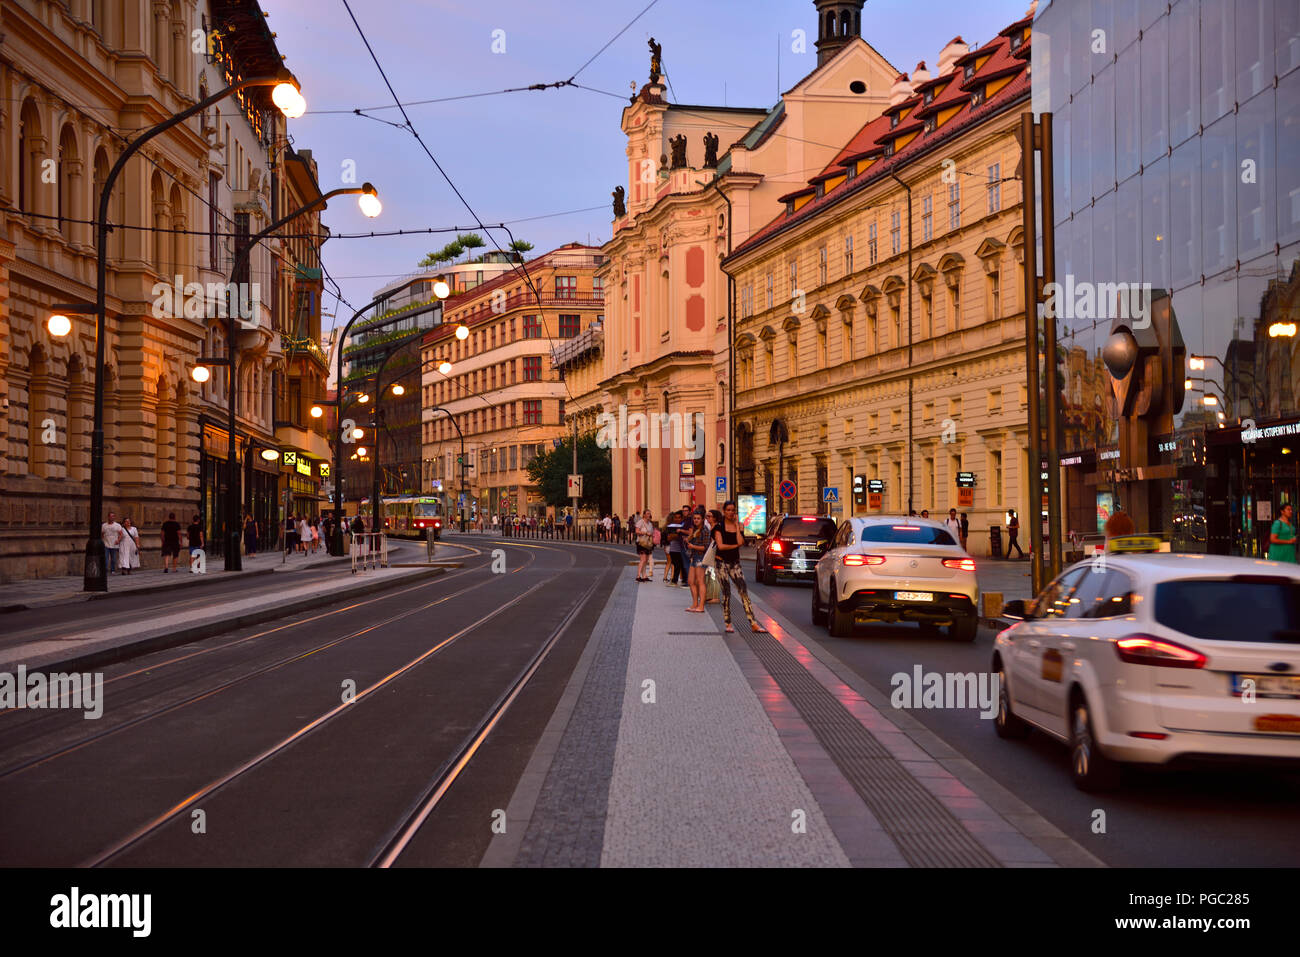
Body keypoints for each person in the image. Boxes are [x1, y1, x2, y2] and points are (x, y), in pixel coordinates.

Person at [713, 500, 766, 634]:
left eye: (733, 510)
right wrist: (735, 546)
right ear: (724, 511)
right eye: (728, 510)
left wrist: (737, 526)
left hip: (735, 563)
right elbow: (721, 546)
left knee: (743, 591)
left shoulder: (740, 526)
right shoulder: (718, 527)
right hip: (721, 563)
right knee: (726, 592)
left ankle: (753, 623)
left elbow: (741, 542)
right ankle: (728, 622)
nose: (731, 513)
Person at [684, 510, 710, 612]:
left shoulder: (705, 530)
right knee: (690, 581)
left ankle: (701, 606)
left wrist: (693, 546)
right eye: (694, 518)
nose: (696, 520)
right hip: (694, 557)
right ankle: (695, 604)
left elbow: (705, 547)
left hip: (701, 558)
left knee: (700, 581)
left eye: (698, 518)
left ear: (702, 519)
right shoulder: (695, 529)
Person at [666, 511, 686, 586]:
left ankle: (677, 580)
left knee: (681, 565)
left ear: (682, 518)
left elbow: (680, 537)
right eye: (675, 517)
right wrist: (676, 536)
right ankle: (676, 580)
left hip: (681, 549)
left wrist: (675, 536)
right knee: (676, 564)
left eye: (679, 517)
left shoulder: (683, 526)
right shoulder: (671, 526)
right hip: (673, 549)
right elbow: (668, 538)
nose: (677, 519)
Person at [634, 509, 655, 581]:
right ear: (644, 515)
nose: (649, 515)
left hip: (648, 543)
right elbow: (636, 531)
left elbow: (651, 532)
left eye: (650, 513)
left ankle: (644, 576)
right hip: (641, 542)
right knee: (642, 559)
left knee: (646, 560)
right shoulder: (640, 522)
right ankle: (638, 576)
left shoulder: (650, 523)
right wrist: (645, 533)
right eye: (648, 513)